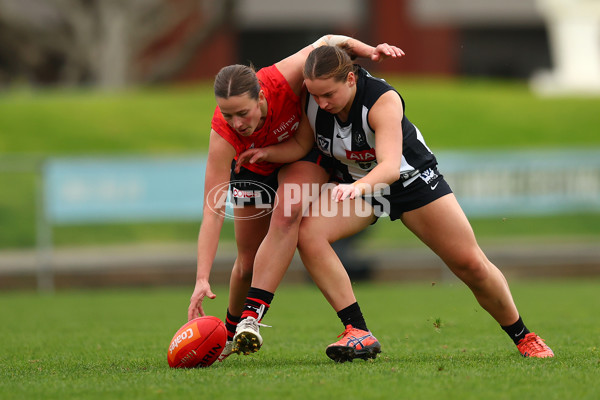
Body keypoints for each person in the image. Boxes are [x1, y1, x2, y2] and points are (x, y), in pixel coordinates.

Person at [232, 45, 554, 362]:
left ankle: (524, 336)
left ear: (351, 80)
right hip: (360, 187)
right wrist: (267, 154)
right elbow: (304, 142)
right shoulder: (315, 102)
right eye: (315, 96)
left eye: (328, 94)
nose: (321, 102)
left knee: (470, 265)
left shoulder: (382, 100)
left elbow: (387, 166)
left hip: (409, 182)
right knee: (309, 233)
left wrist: (357, 187)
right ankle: (357, 330)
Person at [187, 35, 405, 362]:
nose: (237, 123)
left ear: (261, 96)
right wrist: (202, 278)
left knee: (288, 212)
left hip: (301, 155)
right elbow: (213, 210)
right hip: (252, 164)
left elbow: (330, 41)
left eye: (243, 113)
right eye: (228, 115)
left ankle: (252, 318)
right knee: (247, 262)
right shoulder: (224, 134)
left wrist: (370, 51)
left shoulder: (282, 77)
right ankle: (230, 334)